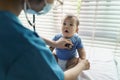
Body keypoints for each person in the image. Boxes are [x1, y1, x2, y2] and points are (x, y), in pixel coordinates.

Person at [0, 0, 90, 80]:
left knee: (73, 61)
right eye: (64, 23)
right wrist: (82, 65)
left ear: (76, 29)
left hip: (69, 59)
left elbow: (81, 50)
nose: (66, 26)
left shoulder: (9, 28)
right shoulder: (28, 45)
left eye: (71, 25)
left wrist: (54, 44)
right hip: (59, 60)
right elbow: (60, 78)